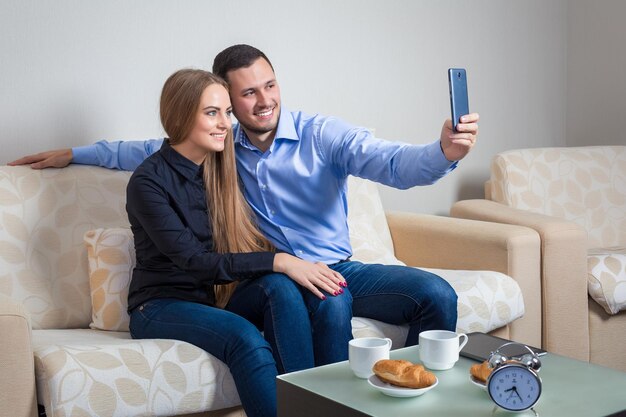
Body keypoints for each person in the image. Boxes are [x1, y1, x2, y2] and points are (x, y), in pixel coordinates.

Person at [10, 44, 480, 365]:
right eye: (249, 93)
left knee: (436, 294)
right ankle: (335, 405)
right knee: (331, 304)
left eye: (270, 85)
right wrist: (75, 153)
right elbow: (143, 150)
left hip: (340, 265)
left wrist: (444, 152)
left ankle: (420, 399)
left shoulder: (321, 135)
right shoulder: (222, 146)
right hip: (280, 275)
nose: (265, 100)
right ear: (229, 102)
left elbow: (395, 164)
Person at [125, 68, 346, 417]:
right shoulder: (147, 182)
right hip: (158, 306)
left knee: (282, 290)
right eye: (212, 113)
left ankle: (313, 406)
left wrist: (292, 264)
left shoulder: (221, 169)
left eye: (227, 113)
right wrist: (281, 259)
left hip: (213, 301)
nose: (225, 124)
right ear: (181, 115)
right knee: (246, 337)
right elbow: (195, 261)